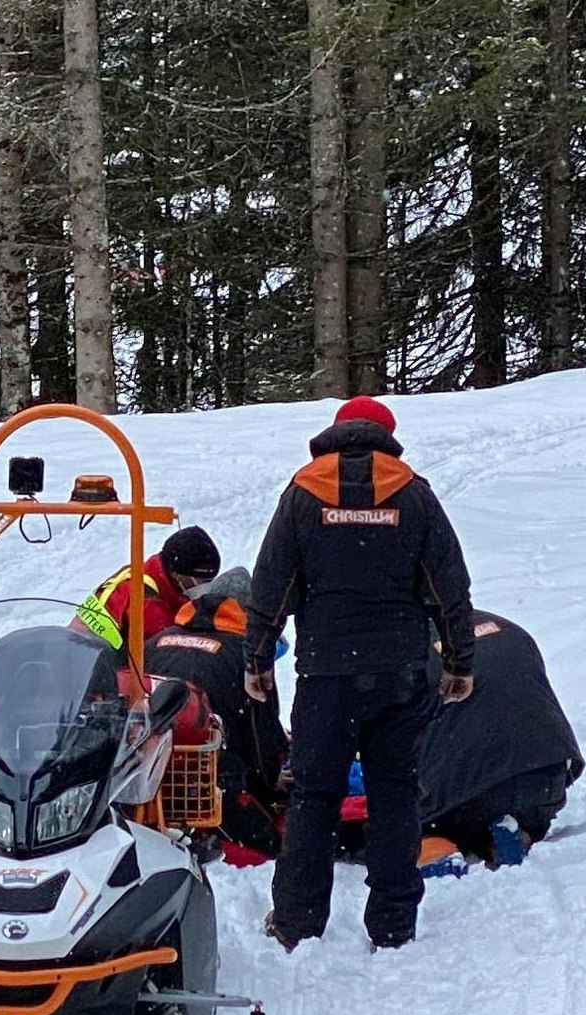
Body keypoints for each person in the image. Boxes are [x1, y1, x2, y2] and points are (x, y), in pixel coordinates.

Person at [242, 394, 476, 951]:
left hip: (326, 675)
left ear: (337, 432)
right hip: (399, 673)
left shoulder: (303, 493)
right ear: (386, 435)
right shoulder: (414, 494)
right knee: (394, 794)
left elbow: (269, 586)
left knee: (313, 797)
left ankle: (296, 924)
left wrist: (257, 660)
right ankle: (394, 924)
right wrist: (460, 662)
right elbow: (451, 588)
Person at [143, 567, 288, 862]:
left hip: (146, 783)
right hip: (208, 790)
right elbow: (262, 743)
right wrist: (274, 783)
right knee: (276, 845)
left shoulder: (156, 641)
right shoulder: (248, 659)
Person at [416, 611, 584, 865]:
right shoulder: (506, 629)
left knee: (402, 823)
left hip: (463, 796)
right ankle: (514, 830)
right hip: (548, 781)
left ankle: (438, 847)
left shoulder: (403, 649)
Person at [75, 525, 221, 651]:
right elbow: (168, 655)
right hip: (100, 668)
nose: (204, 587)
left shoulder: (143, 573)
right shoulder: (147, 603)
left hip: (82, 651)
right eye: (200, 581)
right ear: (178, 575)